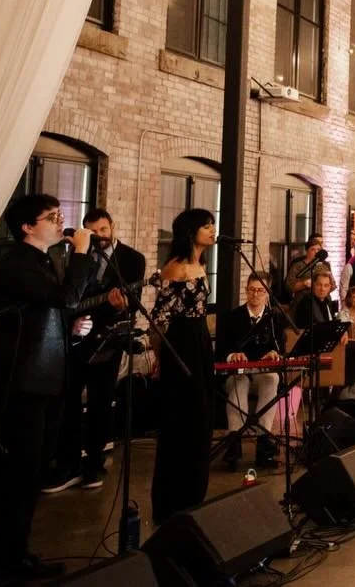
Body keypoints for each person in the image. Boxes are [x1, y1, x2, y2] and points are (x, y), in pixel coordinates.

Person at [0, 194, 107, 582]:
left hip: (43, 379)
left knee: (32, 472)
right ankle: (2, 561)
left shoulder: (41, 262)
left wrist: (67, 330)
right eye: (52, 217)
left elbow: (44, 313)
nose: (61, 222)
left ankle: (15, 553)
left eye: (60, 215)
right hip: (21, 386)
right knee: (17, 476)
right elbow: (67, 296)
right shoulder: (17, 265)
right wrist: (83, 255)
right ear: (26, 227)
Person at [47, 206, 145, 493]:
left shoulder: (132, 259)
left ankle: (94, 464)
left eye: (103, 230)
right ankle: (68, 463)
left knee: (102, 402)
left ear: (112, 226)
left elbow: (135, 301)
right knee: (69, 401)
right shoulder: (78, 255)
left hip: (109, 339)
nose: (100, 236)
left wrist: (121, 306)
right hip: (75, 339)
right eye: (93, 232)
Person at [147, 208, 216, 521]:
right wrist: (160, 356)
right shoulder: (175, 268)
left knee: (201, 416)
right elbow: (160, 318)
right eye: (206, 225)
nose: (213, 230)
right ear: (191, 231)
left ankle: (195, 491)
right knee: (181, 419)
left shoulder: (201, 264)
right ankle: (173, 499)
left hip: (200, 339)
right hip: (181, 344)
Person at [216, 276, 288, 470]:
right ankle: (234, 441)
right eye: (251, 290)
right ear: (246, 291)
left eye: (260, 290)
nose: (255, 294)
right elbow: (221, 350)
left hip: (262, 372)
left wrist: (275, 353)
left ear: (267, 293)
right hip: (238, 373)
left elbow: (280, 348)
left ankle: (264, 442)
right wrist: (233, 355)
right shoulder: (233, 317)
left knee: (271, 378)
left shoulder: (275, 319)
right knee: (239, 382)